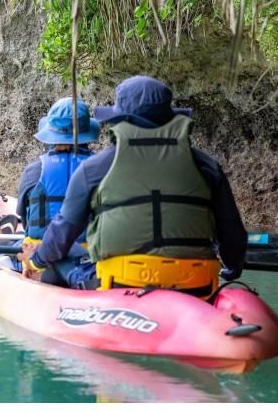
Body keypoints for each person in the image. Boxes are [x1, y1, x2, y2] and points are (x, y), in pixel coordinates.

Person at [17, 75, 248, 291]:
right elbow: (233, 234)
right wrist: (232, 268)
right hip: (196, 283)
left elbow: (62, 233)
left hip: (123, 282)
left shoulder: (95, 168)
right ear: (170, 117)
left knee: (59, 254)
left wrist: (36, 260)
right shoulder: (207, 166)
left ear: (121, 119)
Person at [0, 97, 99, 278]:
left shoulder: (34, 170)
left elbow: (25, 220)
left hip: (38, 256)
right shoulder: (102, 168)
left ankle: (8, 268)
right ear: (86, 134)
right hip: (90, 259)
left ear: (51, 135)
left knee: (0, 249)